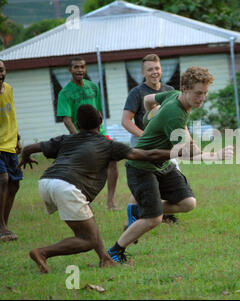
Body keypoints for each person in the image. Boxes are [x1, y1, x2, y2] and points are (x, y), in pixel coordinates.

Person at [19, 104, 174, 273]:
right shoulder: (109, 145)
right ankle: (42, 253)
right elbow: (146, 155)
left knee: (89, 219)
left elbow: (29, 149)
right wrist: (177, 152)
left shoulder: (67, 139)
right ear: (100, 120)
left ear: (77, 125)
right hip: (67, 187)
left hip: (46, 182)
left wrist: (25, 156)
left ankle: (105, 259)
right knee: (87, 240)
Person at [107, 66, 234, 263]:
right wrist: (216, 155)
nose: (202, 98)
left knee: (187, 203)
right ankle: (114, 252)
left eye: (205, 93)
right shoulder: (175, 114)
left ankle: (139, 209)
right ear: (184, 89)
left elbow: (148, 100)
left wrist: (150, 119)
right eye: (198, 93)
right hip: (141, 167)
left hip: (161, 164)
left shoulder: (173, 95)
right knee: (154, 218)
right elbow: (185, 153)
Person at [57, 56, 120, 210]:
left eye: (82, 67)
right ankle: (83, 202)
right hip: (81, 135)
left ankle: (111, 202)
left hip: (100, 132)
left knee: (113, 161)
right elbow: (66, 119)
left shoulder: (93, 87)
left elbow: (98, 111)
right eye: (76, 67)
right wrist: (78, 136)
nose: (79, 70)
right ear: (69, 70)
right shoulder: (64, 93)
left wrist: (99, 130)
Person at [121, 53, 177, 226]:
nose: (154, 72)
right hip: (142, 144)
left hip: (165, 144)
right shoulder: (137, 93)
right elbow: (125, 120)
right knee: (143, 181)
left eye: (157, 68)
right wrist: (144, 136)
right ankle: (130, 218)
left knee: (168, 177)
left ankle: (163, 213)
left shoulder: (169, 91)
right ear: (143, 72)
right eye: (150, 69)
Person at [0, 59, 23, 242]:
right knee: (3, 179)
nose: (0, 74)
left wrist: (17, 138)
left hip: (9, 144)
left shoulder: (8, 88)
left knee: (15, 183)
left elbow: (11, 115)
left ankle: (4, 225)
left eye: (1, 70)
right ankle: (1, 227)